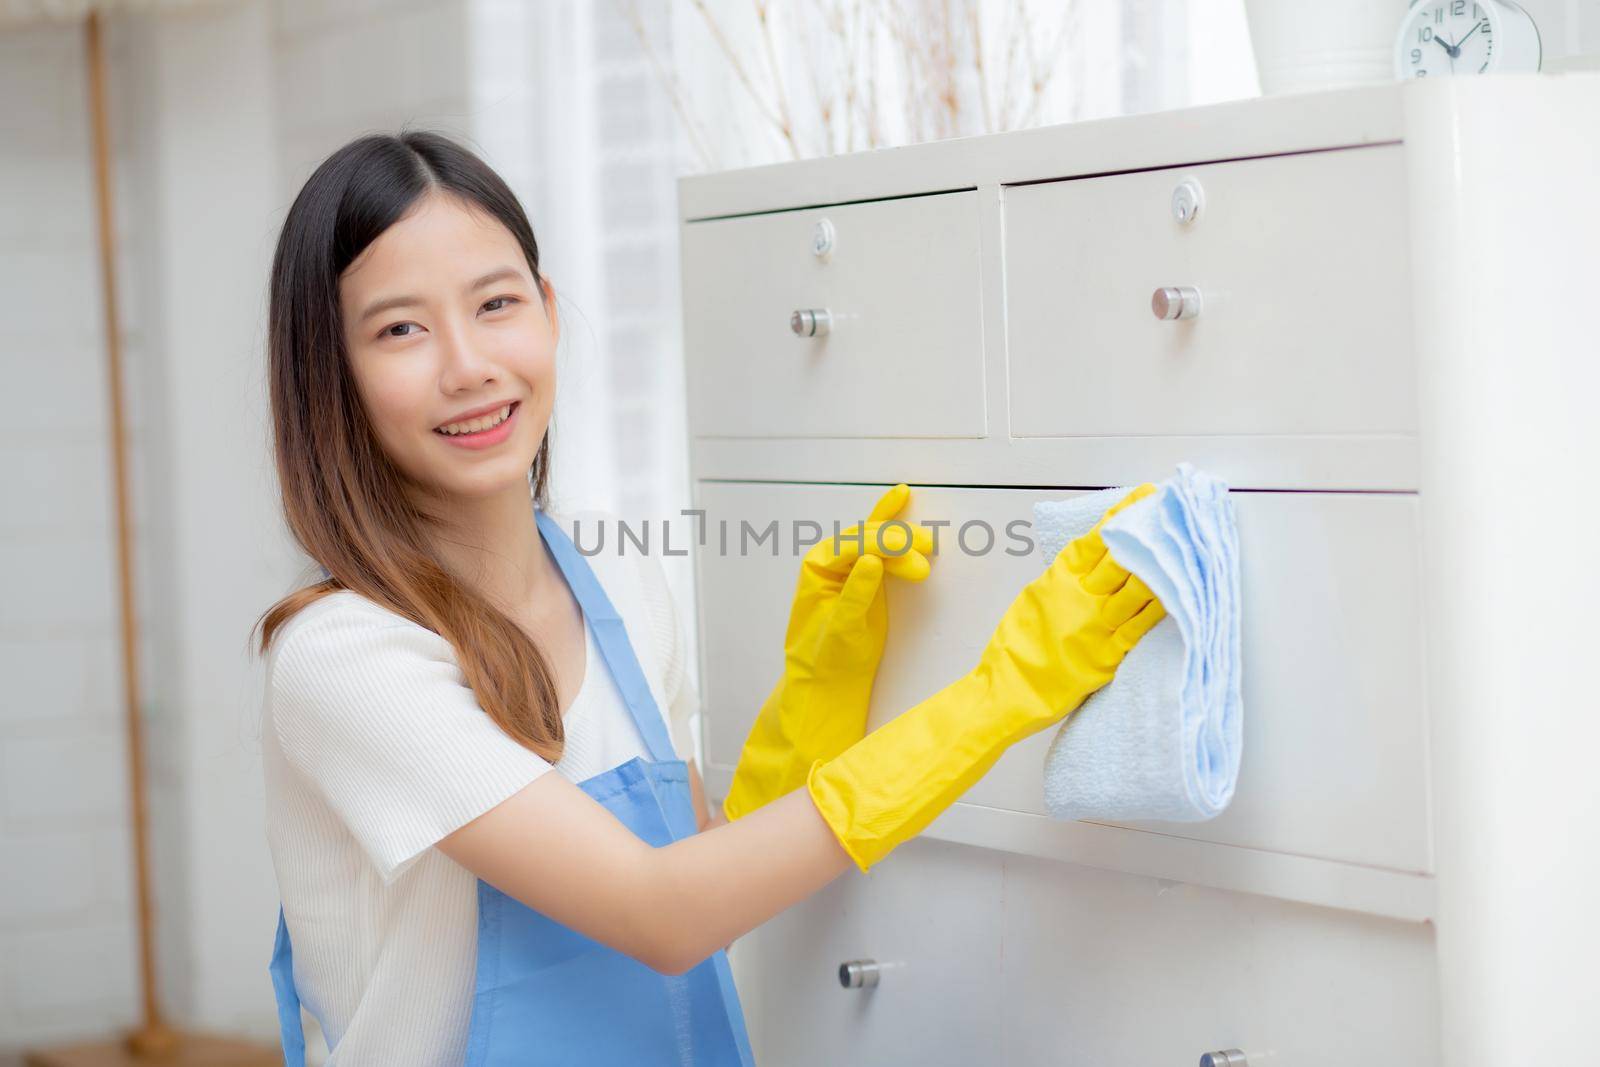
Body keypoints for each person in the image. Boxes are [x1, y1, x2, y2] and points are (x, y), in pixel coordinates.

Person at [252, 130, 1166, 1066]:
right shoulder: (347, 657)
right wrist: (999, 697)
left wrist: (816, 694)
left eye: (496, 303)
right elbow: (661, 913)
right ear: (332, 373)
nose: (469, 364)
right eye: (401, 328)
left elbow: (702, 880)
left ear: (550, 311)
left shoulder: (616, 580)